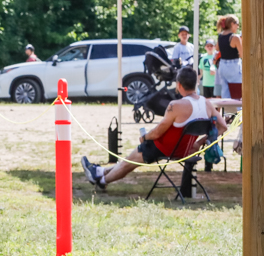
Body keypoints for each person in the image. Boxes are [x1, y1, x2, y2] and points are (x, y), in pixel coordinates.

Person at [82, 66, 226, 189]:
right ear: (196, 83)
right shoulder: (207, 104)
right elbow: (223, 127)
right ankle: (99, 171)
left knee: (129, 163)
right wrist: (199, 143)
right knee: (130, 159)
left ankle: (101, 180)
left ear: (179, 85)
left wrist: (144, 137)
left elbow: (157, 132)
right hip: (185, 150)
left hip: (164, 148)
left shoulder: (176, 105)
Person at [215, 15, 242, 99]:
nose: (238, 26)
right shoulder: (235, 37)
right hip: (233, 66)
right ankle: (237, 108)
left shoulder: (220, 36)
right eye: (237, 24)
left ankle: (227, 108)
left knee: (225, 94)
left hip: (222, 66)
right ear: (232, 24)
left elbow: (217, 48)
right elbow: (242, 54)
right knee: (237, 94)